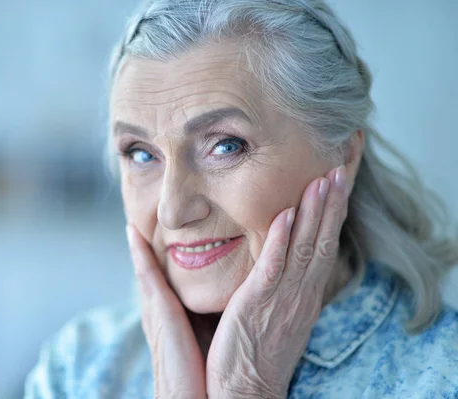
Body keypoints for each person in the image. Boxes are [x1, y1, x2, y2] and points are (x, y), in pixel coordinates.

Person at [24, 0, 458, 397]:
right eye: (141, 154)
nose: (172, 211)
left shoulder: (441, 375)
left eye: (226, 146)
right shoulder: (80, 369)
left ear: (342, 152)